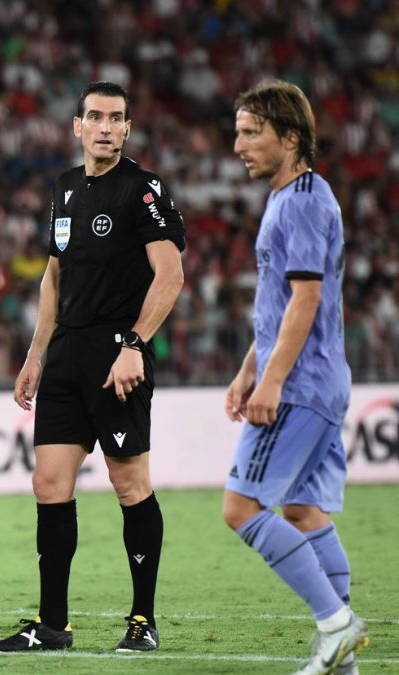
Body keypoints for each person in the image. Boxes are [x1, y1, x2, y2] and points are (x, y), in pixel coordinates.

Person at [0, 82, 186, 654]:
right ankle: (52, 627)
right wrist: (35, 352)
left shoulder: (142, 190)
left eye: (116, 118)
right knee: (48, 484)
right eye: (94, 117)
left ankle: (142, 622)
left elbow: (169, 275)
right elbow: (54, 277)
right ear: (77, 126)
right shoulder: (65, 189)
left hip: (116, 354)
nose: (104, 127)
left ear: (126, 128)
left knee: (129, 484)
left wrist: (135, 345)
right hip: (67, 355)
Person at [222, 79, 368, 675]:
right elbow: (280, 302)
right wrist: (248, 369)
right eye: (237, 131)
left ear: (291, 137)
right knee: (305, 511)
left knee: (240, 507)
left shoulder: (305, 199)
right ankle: (345, 661)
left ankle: (336, 626)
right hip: (320, 378)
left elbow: (305, 299)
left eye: (251, 132)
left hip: (303, 384)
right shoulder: (290, 196)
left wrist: (273, 381)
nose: (238, 145)